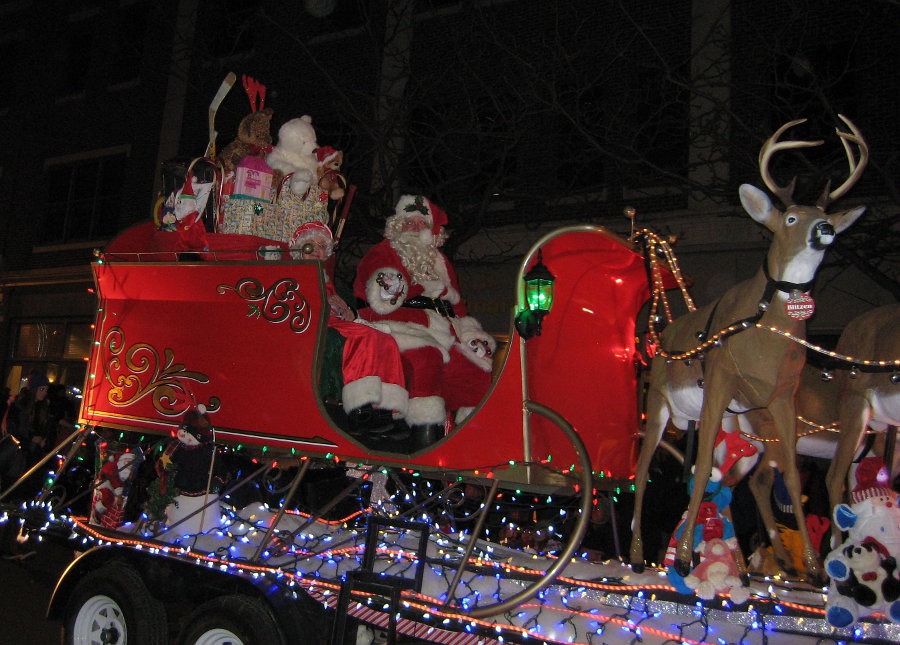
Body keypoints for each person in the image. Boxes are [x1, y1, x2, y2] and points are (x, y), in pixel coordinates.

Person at [353, 195, 496, 450]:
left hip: (441, 329)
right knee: (426, 358)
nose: (416, 229)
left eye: (422, 224)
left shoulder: (440, 261)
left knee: (475, 368)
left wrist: (469, 331)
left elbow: (458, 306)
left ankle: (468, 440)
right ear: (397, 226)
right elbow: (383, 298)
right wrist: (423, 287)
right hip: (394, 326)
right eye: (409, 222)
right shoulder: (382, 253)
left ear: (432, 231)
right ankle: (422, 436)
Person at [290, 222, 409, 439]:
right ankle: (359, 409)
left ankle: (386, 408)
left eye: (320, 246)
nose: (316, 250)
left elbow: (337, 304)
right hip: (313, 322)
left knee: (386, 340)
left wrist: (348, 311)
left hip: (334, 320)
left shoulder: (324, 277)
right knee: (364, 337)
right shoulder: (296, 272)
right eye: (311, 245)